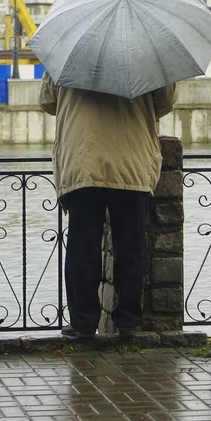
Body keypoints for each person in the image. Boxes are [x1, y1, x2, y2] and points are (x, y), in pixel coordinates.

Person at [39, 73, 177, 338]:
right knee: (131, 245)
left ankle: (83, 322)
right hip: (131, 160)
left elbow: (48, 101)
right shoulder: (146, 51)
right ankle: (128, 320)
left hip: (83, 159)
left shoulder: (69, 47)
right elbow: (165, 101)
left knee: (82, 245)